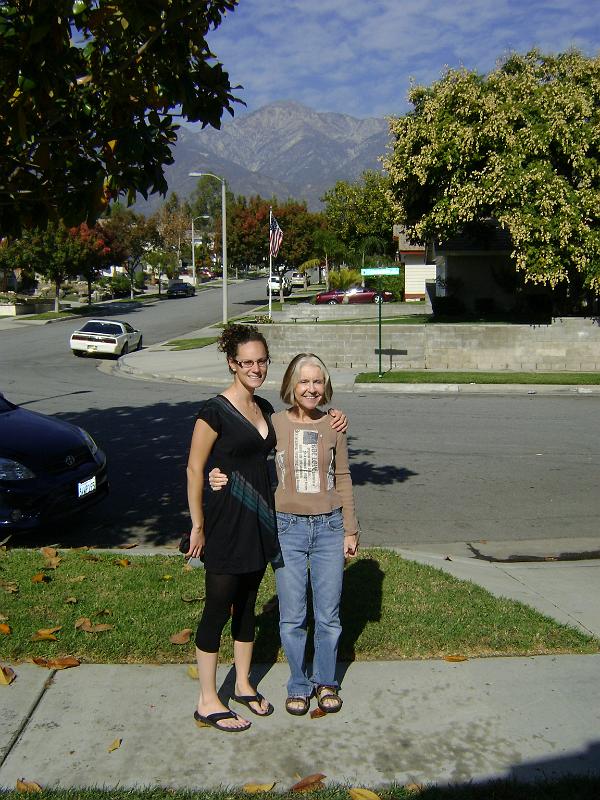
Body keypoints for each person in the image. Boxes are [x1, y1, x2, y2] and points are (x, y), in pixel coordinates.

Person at [186, 326, 346, 733]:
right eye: (247, 362)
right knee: (217, 609)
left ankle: (241, 684)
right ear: (231, 363)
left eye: (261, 361)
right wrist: (199, 519)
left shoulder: (262, 409)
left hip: (261, 521)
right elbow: (194, 467)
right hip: (225, 522)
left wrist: (333, 416)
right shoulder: (214, 410)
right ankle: (207, 700)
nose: (255, 368)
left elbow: (290, 440)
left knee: (247, 607)